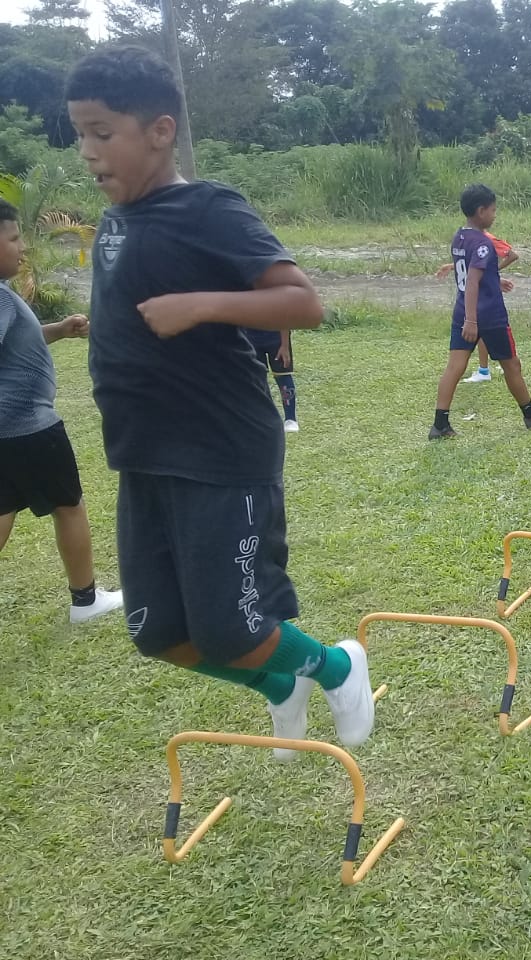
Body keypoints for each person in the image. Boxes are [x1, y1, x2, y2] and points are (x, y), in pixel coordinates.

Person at [68, 45, 373, 759]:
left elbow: (303, 304)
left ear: (160, 131)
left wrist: (201, 304)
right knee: (156, 634)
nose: (87, 152)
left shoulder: (209, 209)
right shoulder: (116, 220)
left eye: (102, 133)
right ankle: (280, 686)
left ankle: (337, 667)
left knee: (235, 629)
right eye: (79, 133)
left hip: (219, 451)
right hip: (143, 453)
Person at [0, 200, 124, 624]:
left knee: (3, 509)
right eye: (13, 238)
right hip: (29, 427)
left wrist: (58, 330)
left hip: (7, 430)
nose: (22, 247)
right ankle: (85, 601)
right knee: (69, 505)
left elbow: (17, 343)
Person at [429, 184, 531, 440]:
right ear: (481, 211)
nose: (494, 215)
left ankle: (439, 424)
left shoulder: (460, 237)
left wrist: (493, 281)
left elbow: (471, 274)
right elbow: (473, 281)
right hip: (488, 316)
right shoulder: (483, 243)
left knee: (454, 366)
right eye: (492, 210)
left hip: (462, 310)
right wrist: (472, 320)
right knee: (511, 364)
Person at [434, 232, 518, 383]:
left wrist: (492, 274)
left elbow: (512, 255)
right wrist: (452, 266)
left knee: (486, 330)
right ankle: (485, 369)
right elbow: (473, 264)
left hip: (485, 298)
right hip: (478, 294)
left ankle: (487, 369)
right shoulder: (470, 237)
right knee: (481, 332)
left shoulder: (486, 238)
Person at [243, 328, 298, 431]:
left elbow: (285, 319)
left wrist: (285, 345)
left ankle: (290, 419)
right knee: (257, 378)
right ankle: (268, 416)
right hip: (250, 336)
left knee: (283, 375)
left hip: (276, 336)